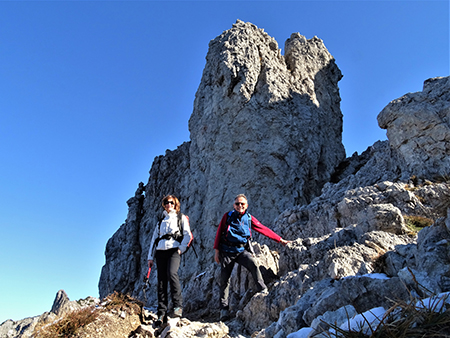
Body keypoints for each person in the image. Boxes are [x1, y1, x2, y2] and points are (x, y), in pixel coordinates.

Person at [214, 194, 289, 321]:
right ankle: (224, 310)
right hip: (227, 251)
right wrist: (217, 251)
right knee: (224, 279)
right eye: (237, 204)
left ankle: (262, 289)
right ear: (234, 205)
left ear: (246, 205)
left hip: (241, 250)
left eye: (242, 204)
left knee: (253, 263)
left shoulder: (249, 218)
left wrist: (280, 240)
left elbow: (263, 229)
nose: (240, 206)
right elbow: (219, 232)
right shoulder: (227, 216)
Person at [148, 195, 192, 326]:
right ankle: (161, 312)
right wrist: (150, 257)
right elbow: (153, 240)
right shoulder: (160, 222)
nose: (168, 205)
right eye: (166, 203)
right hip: (160, 251)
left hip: (174, 250)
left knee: (172, 273)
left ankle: (177, 306)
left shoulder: (181, 218)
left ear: (175, 204)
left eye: (171, 203)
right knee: (161, 280)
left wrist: (181, 249)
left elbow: (187, 234)